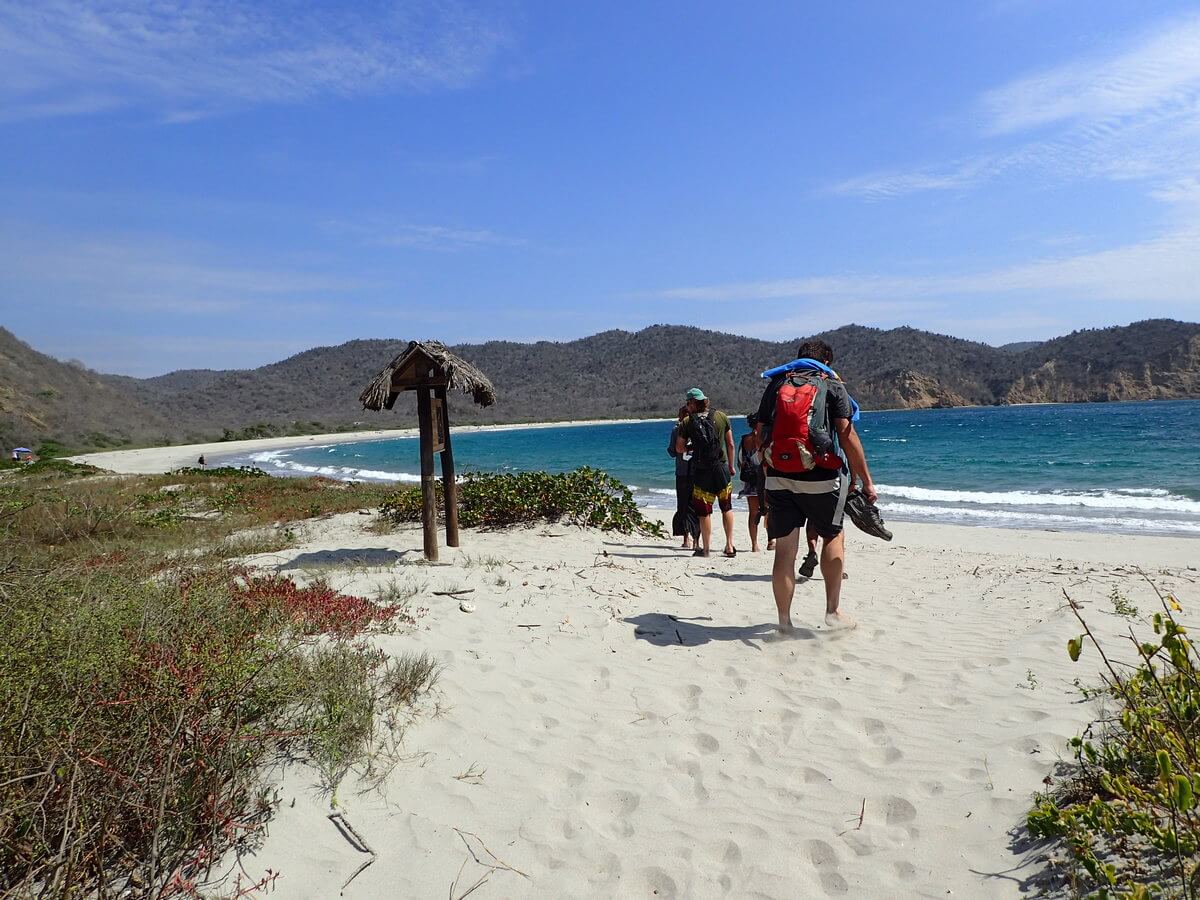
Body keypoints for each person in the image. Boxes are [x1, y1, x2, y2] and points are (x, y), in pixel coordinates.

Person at [757, 339, 877, 631]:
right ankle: (832, 612)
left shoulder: (775, 384)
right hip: (821, 478)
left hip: (779, 475)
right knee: (833, 537)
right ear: (828, 362)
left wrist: (768, 470)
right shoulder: (832, 385)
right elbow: (847, 436)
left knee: (785, 550)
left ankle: (784, 622)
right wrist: (866, 481)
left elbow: (761, 431)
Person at [676, 387, 737, 558]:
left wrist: (692, 446)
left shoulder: (687, 422)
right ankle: (730, 545)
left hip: (702, 470)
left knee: (704, 512)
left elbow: (679, 448)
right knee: (726, 507)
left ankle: (707, 549)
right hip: (721, 467)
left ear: (692, 403)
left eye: (688, 403)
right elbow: (731, 444)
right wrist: (732, 466)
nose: (687, 407)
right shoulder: (721, 416)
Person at [667, 405, 700, 549]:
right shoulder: (698, 428)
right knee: (696, 506)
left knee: (683, 505)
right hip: (697, 472)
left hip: (682, 472)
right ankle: (696, 541)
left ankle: (687, 539)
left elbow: (672, 451)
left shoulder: (676, 430)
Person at [737, 413, 771, 552]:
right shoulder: (762, 439)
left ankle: (754, 544)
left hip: (750, 480)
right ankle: (771, 540)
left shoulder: (744, 439)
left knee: (753, 512)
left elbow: (740, 461)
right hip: (764, 478)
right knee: (769, 510)